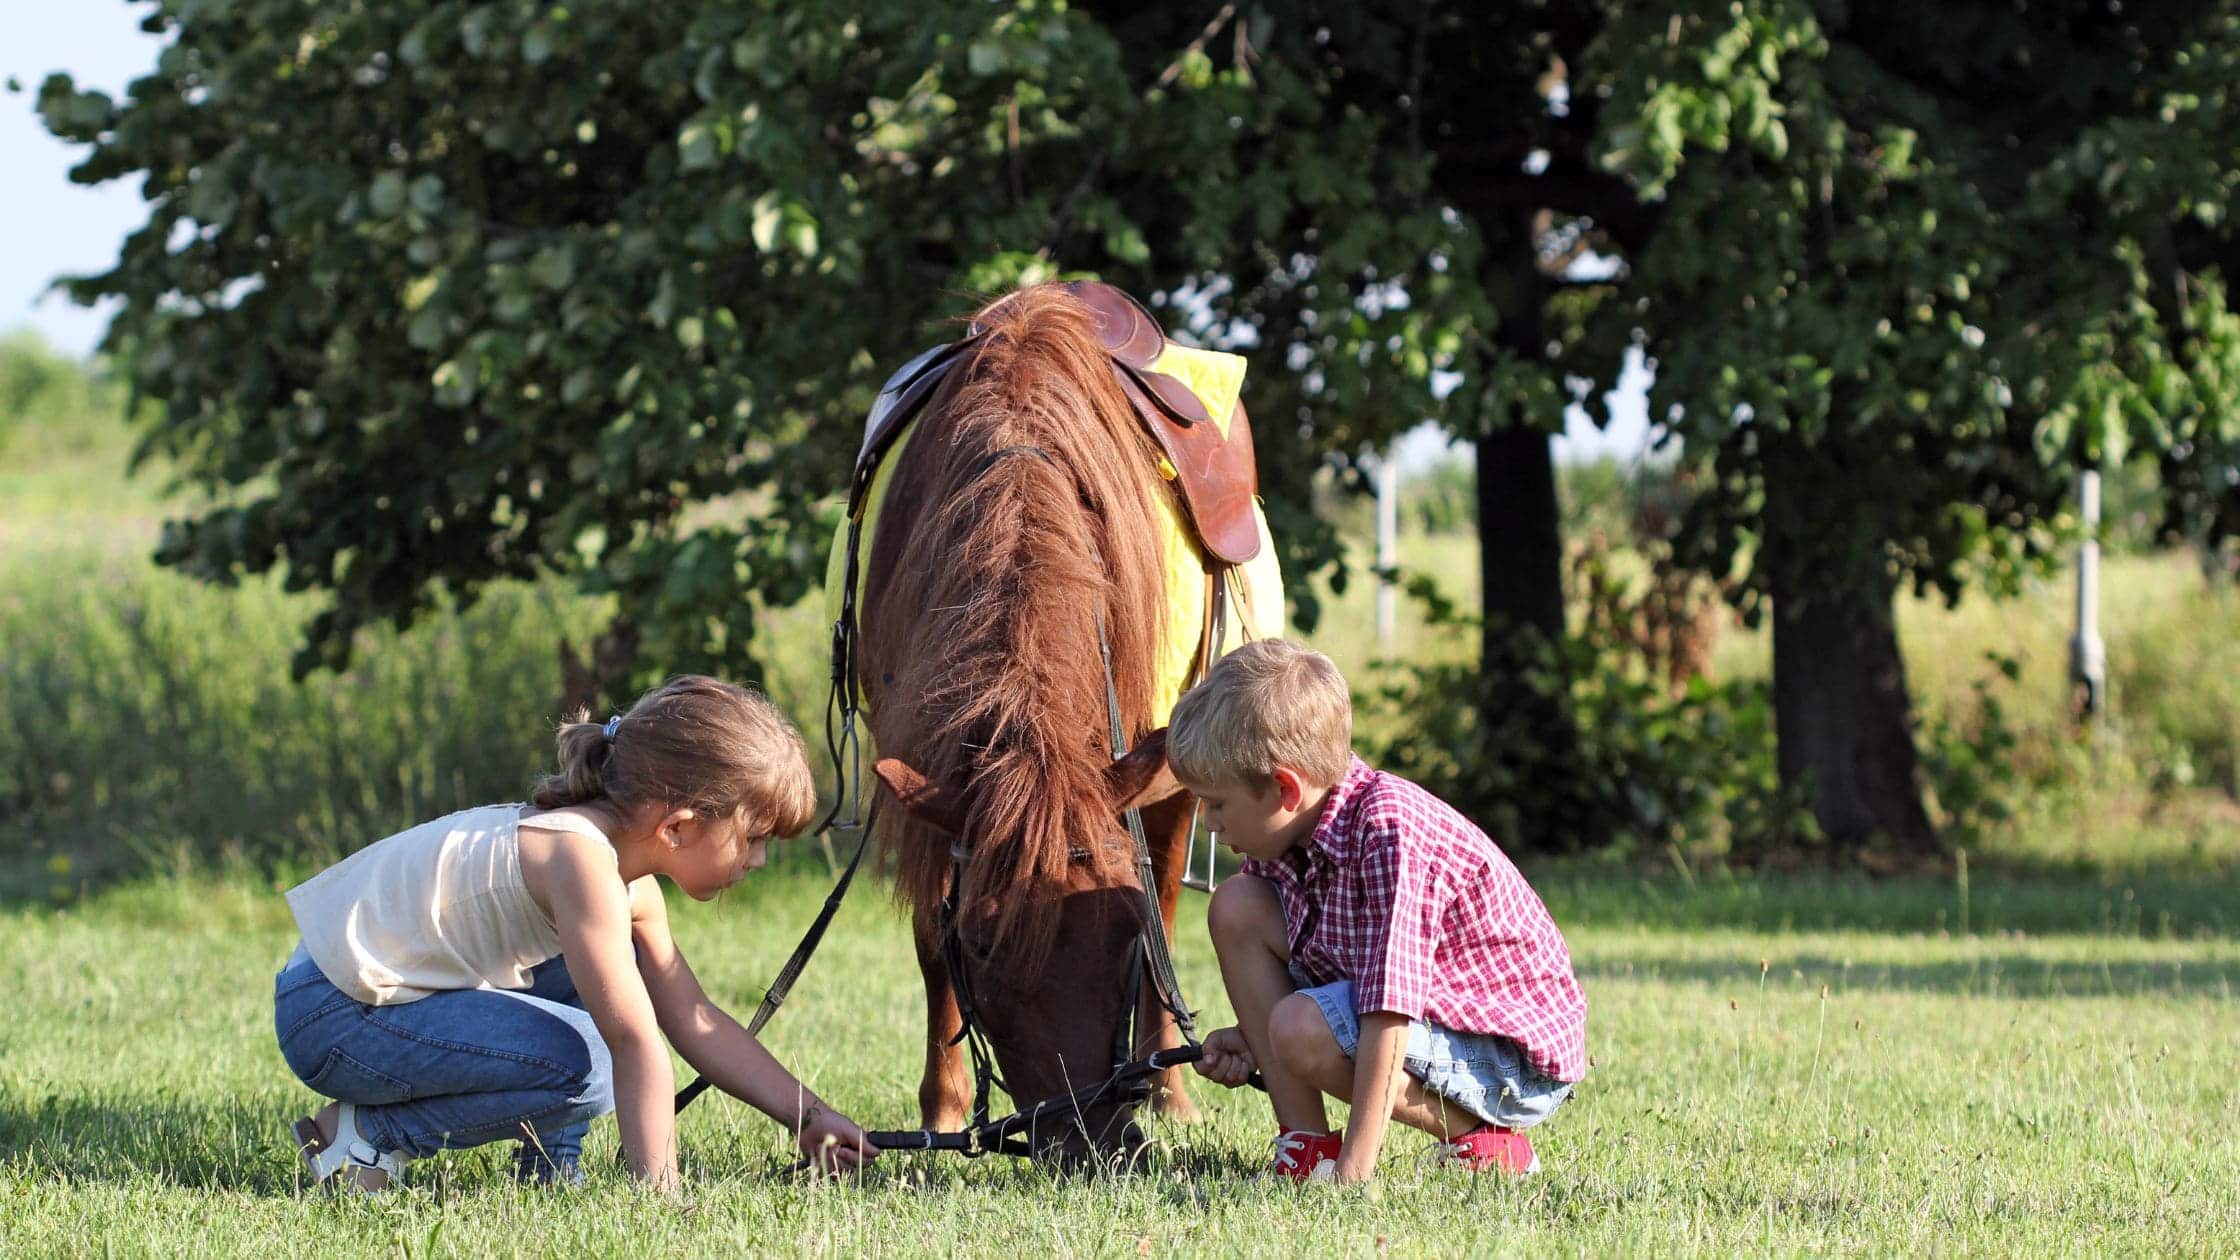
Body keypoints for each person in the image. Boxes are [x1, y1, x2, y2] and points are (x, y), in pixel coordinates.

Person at [273, 675, 879, 1191]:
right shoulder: (578, 861)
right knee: (590, 1061)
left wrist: (809, 1115)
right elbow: (635, 1044)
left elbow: (694, 1019)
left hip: (365, 1001)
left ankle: (550, 1172)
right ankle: (366, 1138)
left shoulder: (621, 880)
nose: (759, 861)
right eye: (754, 839)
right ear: (677, 827)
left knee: (594, 984)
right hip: (334, 1015)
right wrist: (659, 1200)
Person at [1174, 640, 1587, 1184]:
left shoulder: (1389, 834)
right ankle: (1306, 1150)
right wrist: (1255, 1040)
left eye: (1217, 803)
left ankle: (1479, 1140)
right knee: (1236, 906)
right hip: (1429, 1026)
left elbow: (1388, 1012)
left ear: (1284, 788)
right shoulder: (1283, 843)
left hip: (1509, 1058)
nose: (1208, 822)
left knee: (1300, 1028)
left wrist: (1356, 1172)